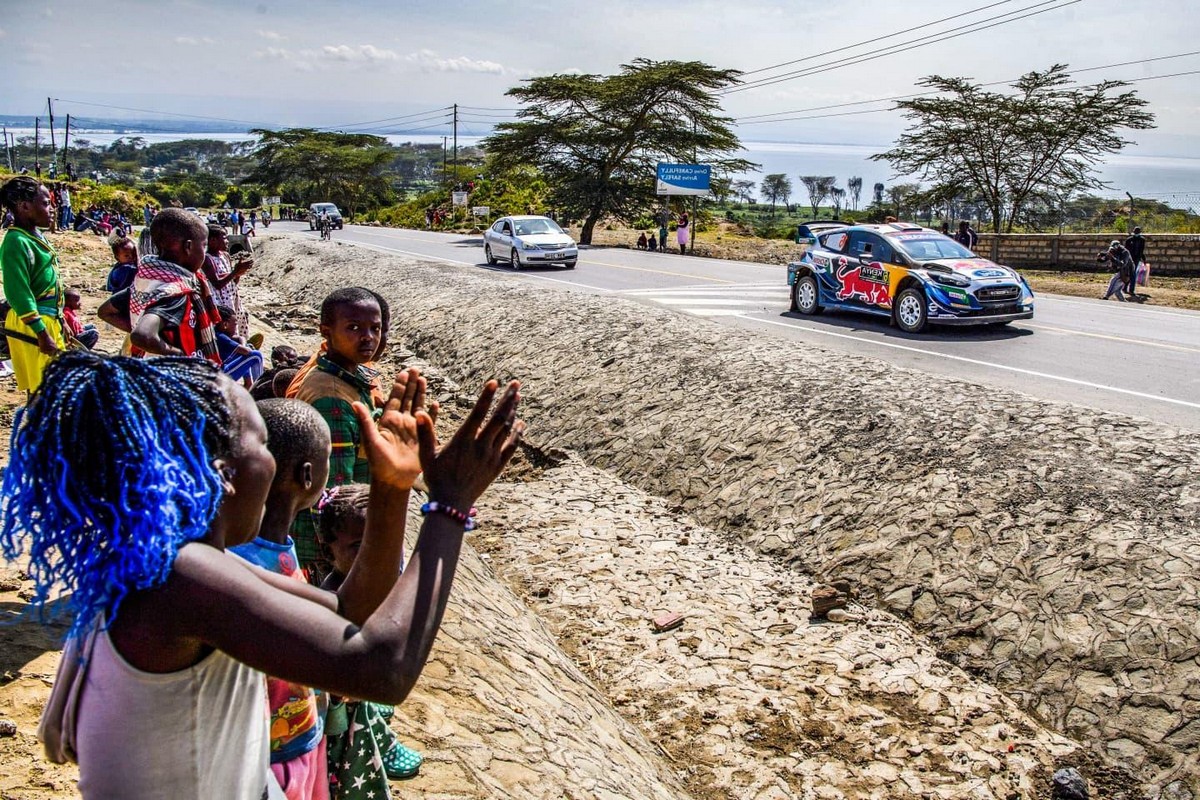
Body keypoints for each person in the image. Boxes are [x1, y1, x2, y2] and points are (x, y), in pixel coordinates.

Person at [0, 351, 524, 799]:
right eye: (261, 445)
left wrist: (392, 488)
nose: (271, 466)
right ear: (221, 473)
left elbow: (349, 613)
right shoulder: (178, 579)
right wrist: (451, 505)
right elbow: (380, 669)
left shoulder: (168, 561)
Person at [230, 398, 332, 800]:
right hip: (266, 759)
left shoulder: (258, 550)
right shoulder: (248, 564)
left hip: (296, 736)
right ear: (308, 476)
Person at [317, 483, 423, 795]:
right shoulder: (333, 600)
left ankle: (380, 735)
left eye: (384, 542)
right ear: (328, 551)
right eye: (360, 545)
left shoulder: (377, 582)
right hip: (338, 713)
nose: (377, 554)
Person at [286, 288, 388, 576]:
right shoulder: (332, 397)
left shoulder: (347, 378)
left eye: (375, 328)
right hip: (337, 552)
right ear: (327, 332)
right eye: (354, 328)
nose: (368, 337)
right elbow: (336, 495)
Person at [129, 208, 223, 363]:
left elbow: (107, 311)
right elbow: (142, 335)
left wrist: (158, 333)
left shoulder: (146, 278)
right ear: (188, 247)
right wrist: (176, 353)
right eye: (204, 246)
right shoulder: (174, 292)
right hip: (171, 374)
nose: (204, 253)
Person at [1, 177, 64, 395]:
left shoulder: (35, 237)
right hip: (33, 325)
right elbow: (18, 292)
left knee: (54, 388)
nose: (52, 209)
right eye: (46, 203)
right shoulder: (16, 242)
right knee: (43, 391)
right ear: (25, 206)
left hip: (49, 320)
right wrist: (42, 333)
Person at [203, 224, 252, 339]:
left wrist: (239, 273)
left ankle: (240, 344)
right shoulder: (207, 259)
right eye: (224, 238)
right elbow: (217, 284)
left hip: (232, 297)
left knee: (237, 323)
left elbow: (233, 282)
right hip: (219, 301)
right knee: (225, 326)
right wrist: (235, 272)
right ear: (212, 240)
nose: (227, 241)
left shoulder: (225, 256)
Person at [215, 304, 265, 385]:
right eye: (235, 324)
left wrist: (242, 342)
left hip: (219, 373)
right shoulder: (221, 337)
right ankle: (259, 386)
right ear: (225, 325)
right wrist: (244, 345)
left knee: (242, 352)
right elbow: (247, 351)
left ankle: (248, 384)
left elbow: (240, 339)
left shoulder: (217, 333)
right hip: (221, 376)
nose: (236, 328)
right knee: (256, 355)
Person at [1125, 226, 1146, 299]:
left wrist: (1143, 258)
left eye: (1138, 232)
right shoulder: (1129, 240)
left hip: (1136, 259)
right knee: (1128, 273)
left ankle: (1131, 290)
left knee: (1133, 274)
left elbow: (1141, 250)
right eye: (1135, 232)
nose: (1136, 233)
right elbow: (1126, 250)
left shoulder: (1142, 240)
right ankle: (1125, 287)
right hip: (1129, 259)